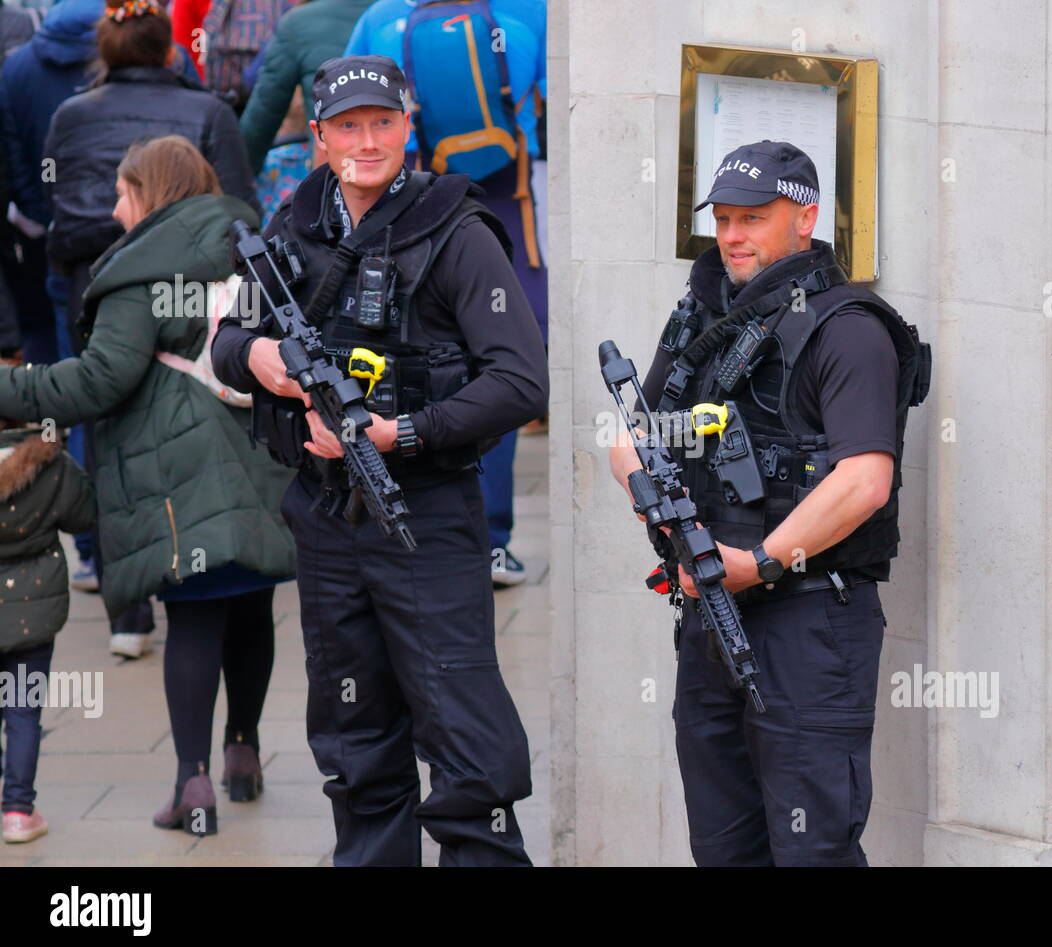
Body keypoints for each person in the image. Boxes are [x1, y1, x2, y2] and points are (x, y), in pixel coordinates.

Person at [212, 55, 547, 866]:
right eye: (349, 127)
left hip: (424, 518)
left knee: (464, 739)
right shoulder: (295, 223)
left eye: (384, 123)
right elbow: (224, 343)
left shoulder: (455, 230)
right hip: (326, 520)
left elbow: (520, 381)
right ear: (320, 137)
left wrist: (400, 434)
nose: (368, 141)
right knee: (354, 738)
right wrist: (260, 360)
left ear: (409, 127)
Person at [607, 140, 930, 866]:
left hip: (809, 622)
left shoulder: (849, 330)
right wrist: (659, 513)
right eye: (722, 219)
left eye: (751, 218)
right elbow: (631, 436)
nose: (731, 236)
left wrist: (755, 562)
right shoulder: (704, 315)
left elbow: (864, 479)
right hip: (709, 612)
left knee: (811, 848)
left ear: (806, 217)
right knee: (723, 847)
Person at [0, 135, 297, 836]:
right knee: (252, 602)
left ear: (149, 194)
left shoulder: (141, 272)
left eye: (122, 192)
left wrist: (8, 385)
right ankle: (244, 752)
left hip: (178, 471)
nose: (114, 207)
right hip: (257, 456)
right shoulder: (248, 245)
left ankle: (192, 782)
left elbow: (99, 380)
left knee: (194, 618)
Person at [39, 0, 261, 657]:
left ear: (102, 53)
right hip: (193, 289)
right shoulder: (209, 113)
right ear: (172, 50)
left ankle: (126, 603)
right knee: (190, 421)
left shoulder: (70, 114)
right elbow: (240, 207)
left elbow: (41, 186)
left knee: (103, 422)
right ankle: (211, 562)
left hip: (92, 279)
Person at [345, 0, 546, 587]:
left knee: (399, 357)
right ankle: (493, 539)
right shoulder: (525, 11)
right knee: (497, 370)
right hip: (506, 202)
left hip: (408, 204)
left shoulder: (382, 18)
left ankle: (405, 523)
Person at [0, 404, 96, 845]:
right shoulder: (51, 463)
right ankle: (18, 810)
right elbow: (83, 518)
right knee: (23, 712)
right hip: (34, 609)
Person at [237, 0, 375, 176]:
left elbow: (264, 113)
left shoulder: (298, 23)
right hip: (406, 168)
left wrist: (241, 181)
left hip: (333, 173)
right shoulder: (407, 14)